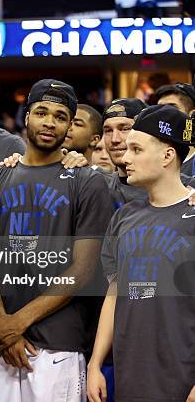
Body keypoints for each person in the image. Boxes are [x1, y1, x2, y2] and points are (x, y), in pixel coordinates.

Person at [0, 79, 114, 402]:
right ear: (26, 117)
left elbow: (83, 270)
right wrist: (4, 326)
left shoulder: (88, 182)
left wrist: (17, 323)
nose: (50, 122)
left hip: (58, 347)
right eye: (41, 112)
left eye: (61, 116)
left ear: (69, 128)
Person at [87, 105, 195, 402]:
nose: (125, 157)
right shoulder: (124, 217)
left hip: (183, 375)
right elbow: (114, 292)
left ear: (167, 156)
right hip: (130, 373)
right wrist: (95, 363)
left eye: (136, 149)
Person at [155, 83, 195, 176]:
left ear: (192, 115)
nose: (163, 114)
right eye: (159, 109)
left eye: (171, 108)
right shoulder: (148, 158)